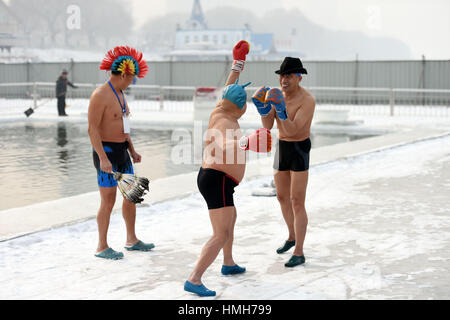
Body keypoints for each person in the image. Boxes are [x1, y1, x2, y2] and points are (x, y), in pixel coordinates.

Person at [184, 40, 272, 297]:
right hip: (217, 179)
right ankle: (195, 278)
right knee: (220, 233)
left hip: (218, 178)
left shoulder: (220, 109)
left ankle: (228, 263)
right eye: (244, 103)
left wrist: (238, 65)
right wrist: (247, 142)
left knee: (231, 219)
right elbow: (222, 144)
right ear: (240, 107)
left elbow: (228, 89)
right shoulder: (224, 121)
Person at [88, 46, 153, 260]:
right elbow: (93, 129)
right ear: (124, 74)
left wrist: (132, 150)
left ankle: (131, 240)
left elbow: (124, 125)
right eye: (131, 78)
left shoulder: (121, 93)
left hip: (123, 152)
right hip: (105, 152)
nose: (132, 82)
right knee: (108, 201)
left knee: (131, 196)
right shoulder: (100, 95)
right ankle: (101, 246)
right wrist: (103, 159)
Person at [252, 57, 315, 268]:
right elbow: (269, 126)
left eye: (288, 75)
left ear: (299, 77)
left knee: (297, 201)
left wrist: (281, 111)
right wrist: (263, 110)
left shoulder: (307, 101)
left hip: (299, 148)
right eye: (281, 75)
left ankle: (299, 252)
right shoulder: (278, 96)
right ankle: (291, 236)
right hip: (282, 148)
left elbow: (293, 129)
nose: (283, 79)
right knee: (281, 197)